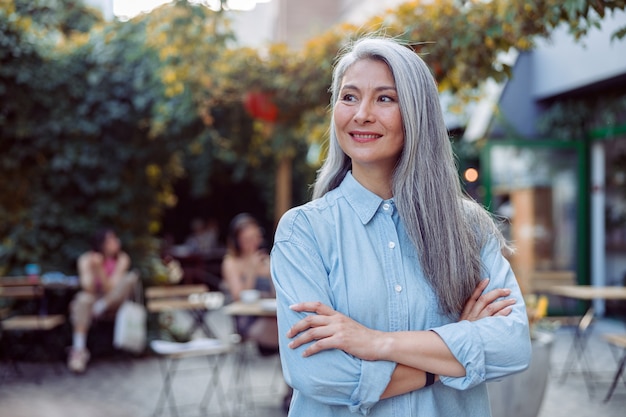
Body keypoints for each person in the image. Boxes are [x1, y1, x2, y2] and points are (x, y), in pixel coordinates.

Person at [270, 37, 531, 416]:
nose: (361, 114)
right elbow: (319, 374)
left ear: (416, 114)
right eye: (349, 97)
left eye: (385, 98)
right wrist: (447, 358)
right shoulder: (304, 232)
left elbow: (512, 346)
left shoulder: (469, 228)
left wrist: (376, 343)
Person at [68, 228, 138, 373]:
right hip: (93, 299)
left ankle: (99, 308)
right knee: (82, 299)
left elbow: (112, 289)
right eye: (112, 239)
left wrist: (100, 269)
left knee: (131, 278)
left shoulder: (122, 259)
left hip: (113, 302)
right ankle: (79, 351)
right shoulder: (86, 259)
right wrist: (93, 268)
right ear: (102, 244)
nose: (117, 242)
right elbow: (87, 287)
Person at [221, 213, 278, 352]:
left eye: (256, 237)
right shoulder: (231, 262)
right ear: (237, 241)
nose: (253, 243)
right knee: (287, 332)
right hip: (248, 320)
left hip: (269, 315)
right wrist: (252, 271)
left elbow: (276, 294)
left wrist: (272, 274)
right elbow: (238, 297)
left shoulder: (264, 259)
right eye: (247, 239)